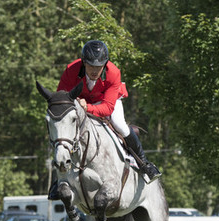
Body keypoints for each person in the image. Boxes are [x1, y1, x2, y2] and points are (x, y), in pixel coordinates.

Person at [49, 39, 161, 200]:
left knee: (120, 125)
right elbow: (62, 100)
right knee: (63, 131)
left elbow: (108, 108)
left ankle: (144, 164)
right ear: (83, 62)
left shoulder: (113, 72)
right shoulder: (71, 70)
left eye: (99, 66)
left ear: (105, 63)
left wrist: (87, 108)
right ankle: (58, 179)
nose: (95, 70)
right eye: (91, 66)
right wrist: (75, 109)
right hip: (79, 101)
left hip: (106, 101)